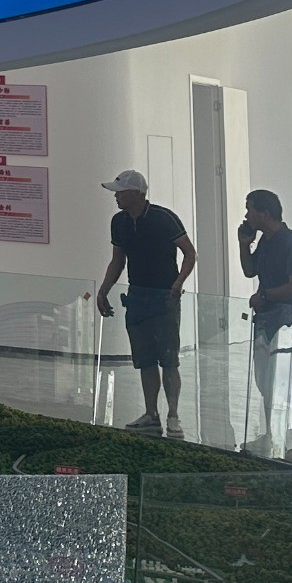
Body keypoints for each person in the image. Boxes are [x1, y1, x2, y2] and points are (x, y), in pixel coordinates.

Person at [94, 170, 195, 435]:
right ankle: (152, 414)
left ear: (136, 193)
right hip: (137, 296)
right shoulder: (119, 222)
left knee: (169, 359)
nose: (116, 196)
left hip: (164, 296)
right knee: (145, 359)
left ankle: (173, 415)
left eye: (120, 192)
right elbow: (118, 260)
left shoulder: (163, 218)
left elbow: (189, 253)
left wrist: (178, 283)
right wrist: (103, 290)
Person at [237, 189, 292, 452]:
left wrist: (265, 295)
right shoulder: (266, 242)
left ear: (265, 213)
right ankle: (270, 433)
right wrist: (244, 244)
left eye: (250, 209)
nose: (247, 214)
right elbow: (250, 270)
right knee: (265, 379)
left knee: (290, 379)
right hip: (267, 320)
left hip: (288, 323)